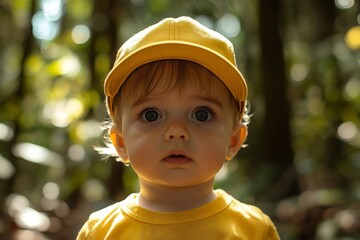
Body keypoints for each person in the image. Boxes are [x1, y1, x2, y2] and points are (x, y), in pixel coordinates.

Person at [76, 16, 280, 240]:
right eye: (151, 115)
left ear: (233, 139)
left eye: (202, 114)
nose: (176, 130)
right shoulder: (101, 232)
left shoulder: (253, 230)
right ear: (121, 142)